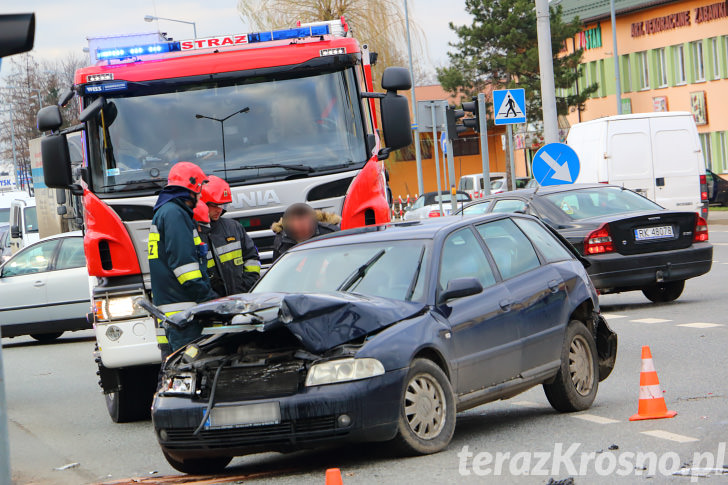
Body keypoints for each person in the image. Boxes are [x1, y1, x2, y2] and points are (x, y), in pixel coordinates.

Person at [149, 162, 217, 351]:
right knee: (190, 371)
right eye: (200, 188)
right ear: (193, 186)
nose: (201, 194)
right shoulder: (175, 214)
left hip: (175, 310)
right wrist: (208, 299)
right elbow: (184, 267)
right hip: (184, 313)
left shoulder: (167, 212)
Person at [199, 176, 261, 295]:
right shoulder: (194, 231)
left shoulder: (234, 227)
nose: (219, 210)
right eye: (215, 205)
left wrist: (246, 285)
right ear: (202, 203)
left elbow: (252, 258)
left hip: (239, 297)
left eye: (222, 205)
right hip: (210, 302)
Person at [271, 203, 340, 261]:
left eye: (303, 221)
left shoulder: (329, 233)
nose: (299, 225)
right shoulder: (282, 238)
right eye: (295, 221)